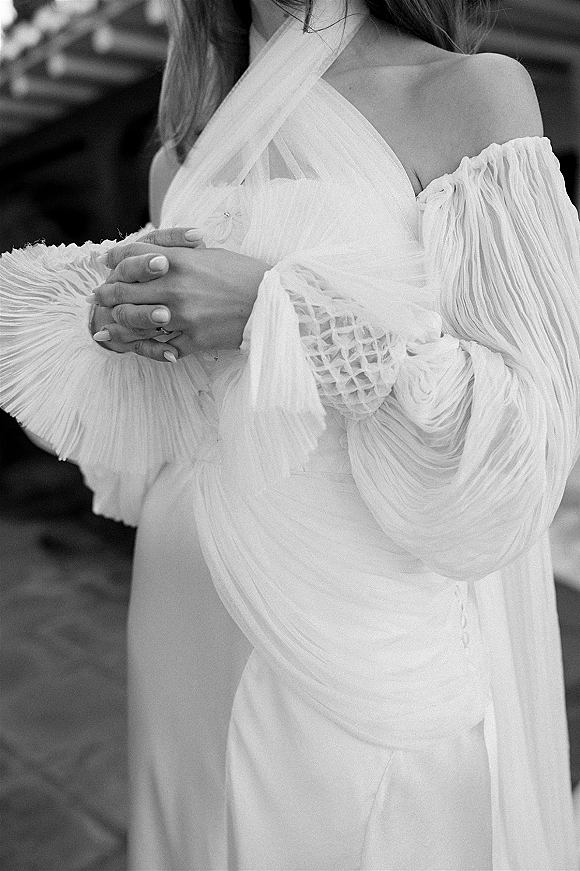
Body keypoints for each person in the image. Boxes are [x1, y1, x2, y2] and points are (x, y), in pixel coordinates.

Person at [1, 0, 579, 867]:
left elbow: (524, 431)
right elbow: (192, 402)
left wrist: (277, 306)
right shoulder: (183, 156)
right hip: (182, 599)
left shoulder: (470, 96)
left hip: (358, 617)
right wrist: (133, 326)